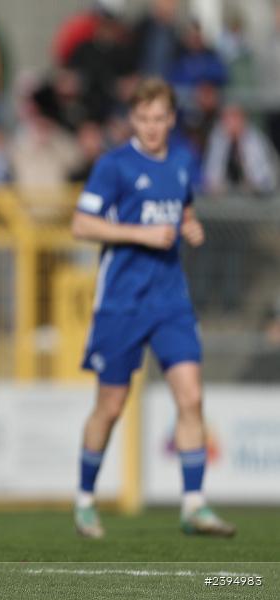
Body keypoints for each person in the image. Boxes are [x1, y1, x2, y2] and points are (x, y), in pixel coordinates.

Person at [71, 78, 235, 539]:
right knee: (112, 404)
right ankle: (85, 500)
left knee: (192, 397)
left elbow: (183, 212)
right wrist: (140, 235)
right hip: (121, 302)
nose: (151, 126)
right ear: (133, 119)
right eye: (143, 118)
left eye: (159, 118)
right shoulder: (114, 165)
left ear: (171, 119)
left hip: (170, 300)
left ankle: (194, 504)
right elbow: (81, 224)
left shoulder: (183, 161)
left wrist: (192, 228)